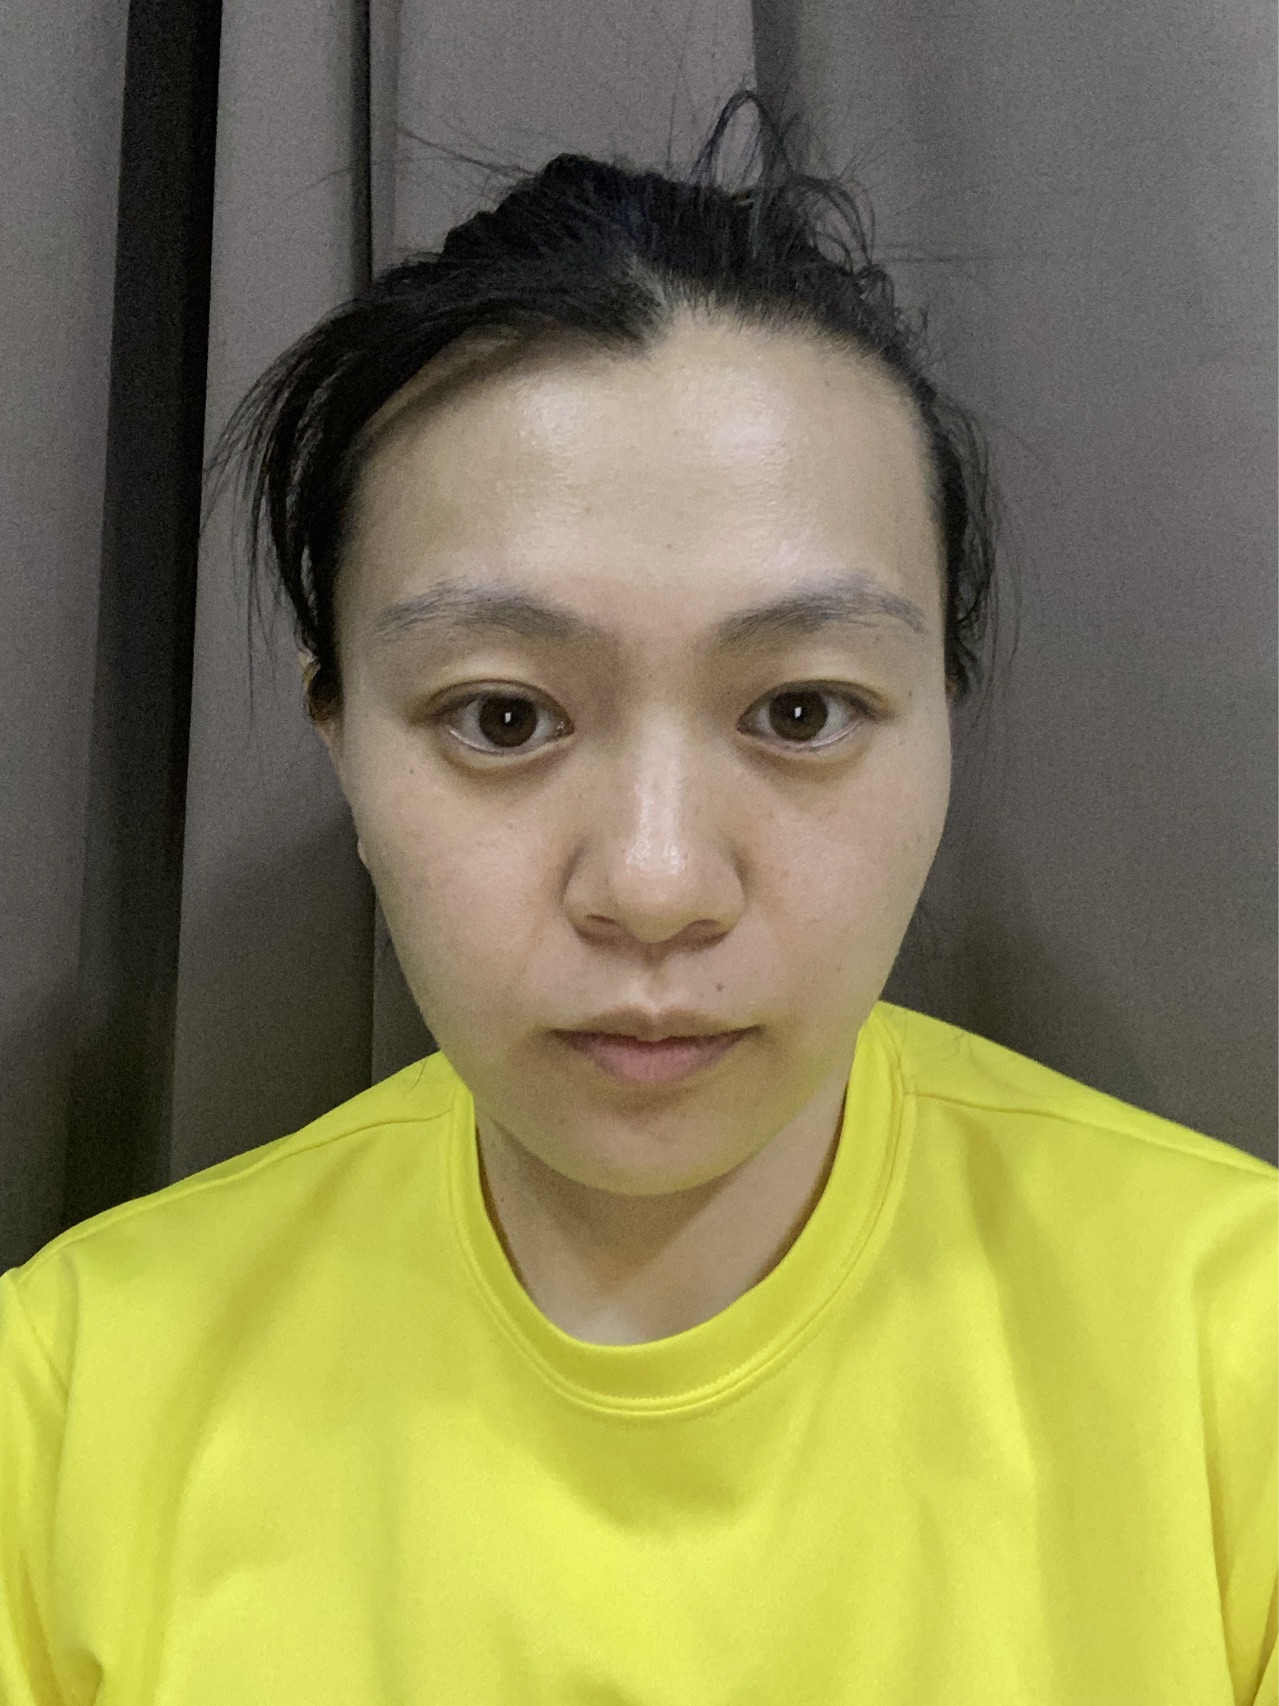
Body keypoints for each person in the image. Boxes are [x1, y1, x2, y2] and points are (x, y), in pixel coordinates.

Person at [1, 91, 1274, 1705]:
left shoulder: (1236, 1355)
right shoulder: (69, 1401)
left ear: (946, 716)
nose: (659, 887)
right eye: (502, 715)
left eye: (801, 709)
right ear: (339, 735)